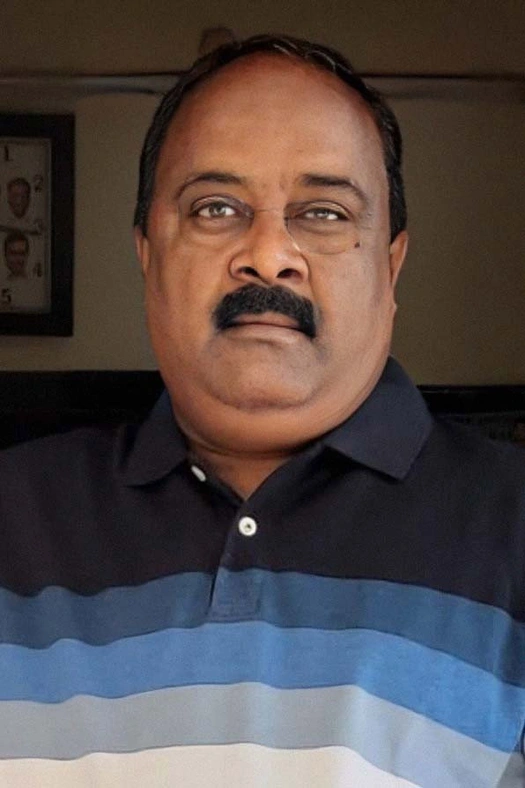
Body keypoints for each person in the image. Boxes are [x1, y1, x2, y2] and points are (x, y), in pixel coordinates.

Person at [0, 34, 524, 787]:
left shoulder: (511, 525)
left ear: (390, 267)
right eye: (215, 208)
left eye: (324, 212)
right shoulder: (14, 517)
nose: (269, 254)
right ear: (148, 256)